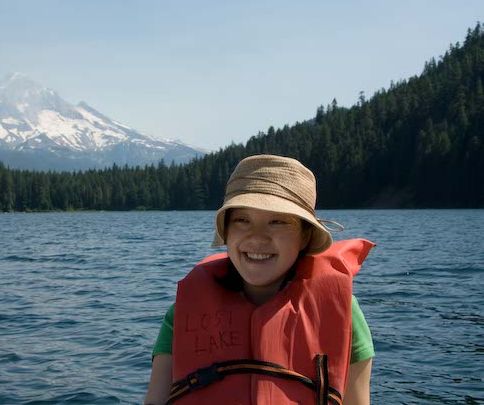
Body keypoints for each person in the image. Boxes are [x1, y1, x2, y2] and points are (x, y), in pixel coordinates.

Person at [144, 155, 374, 405]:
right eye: (242, 220)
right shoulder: (181, 313)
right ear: (226, 231)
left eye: (277, 221)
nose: (257, 238)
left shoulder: (343, 312)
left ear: (305, 237)